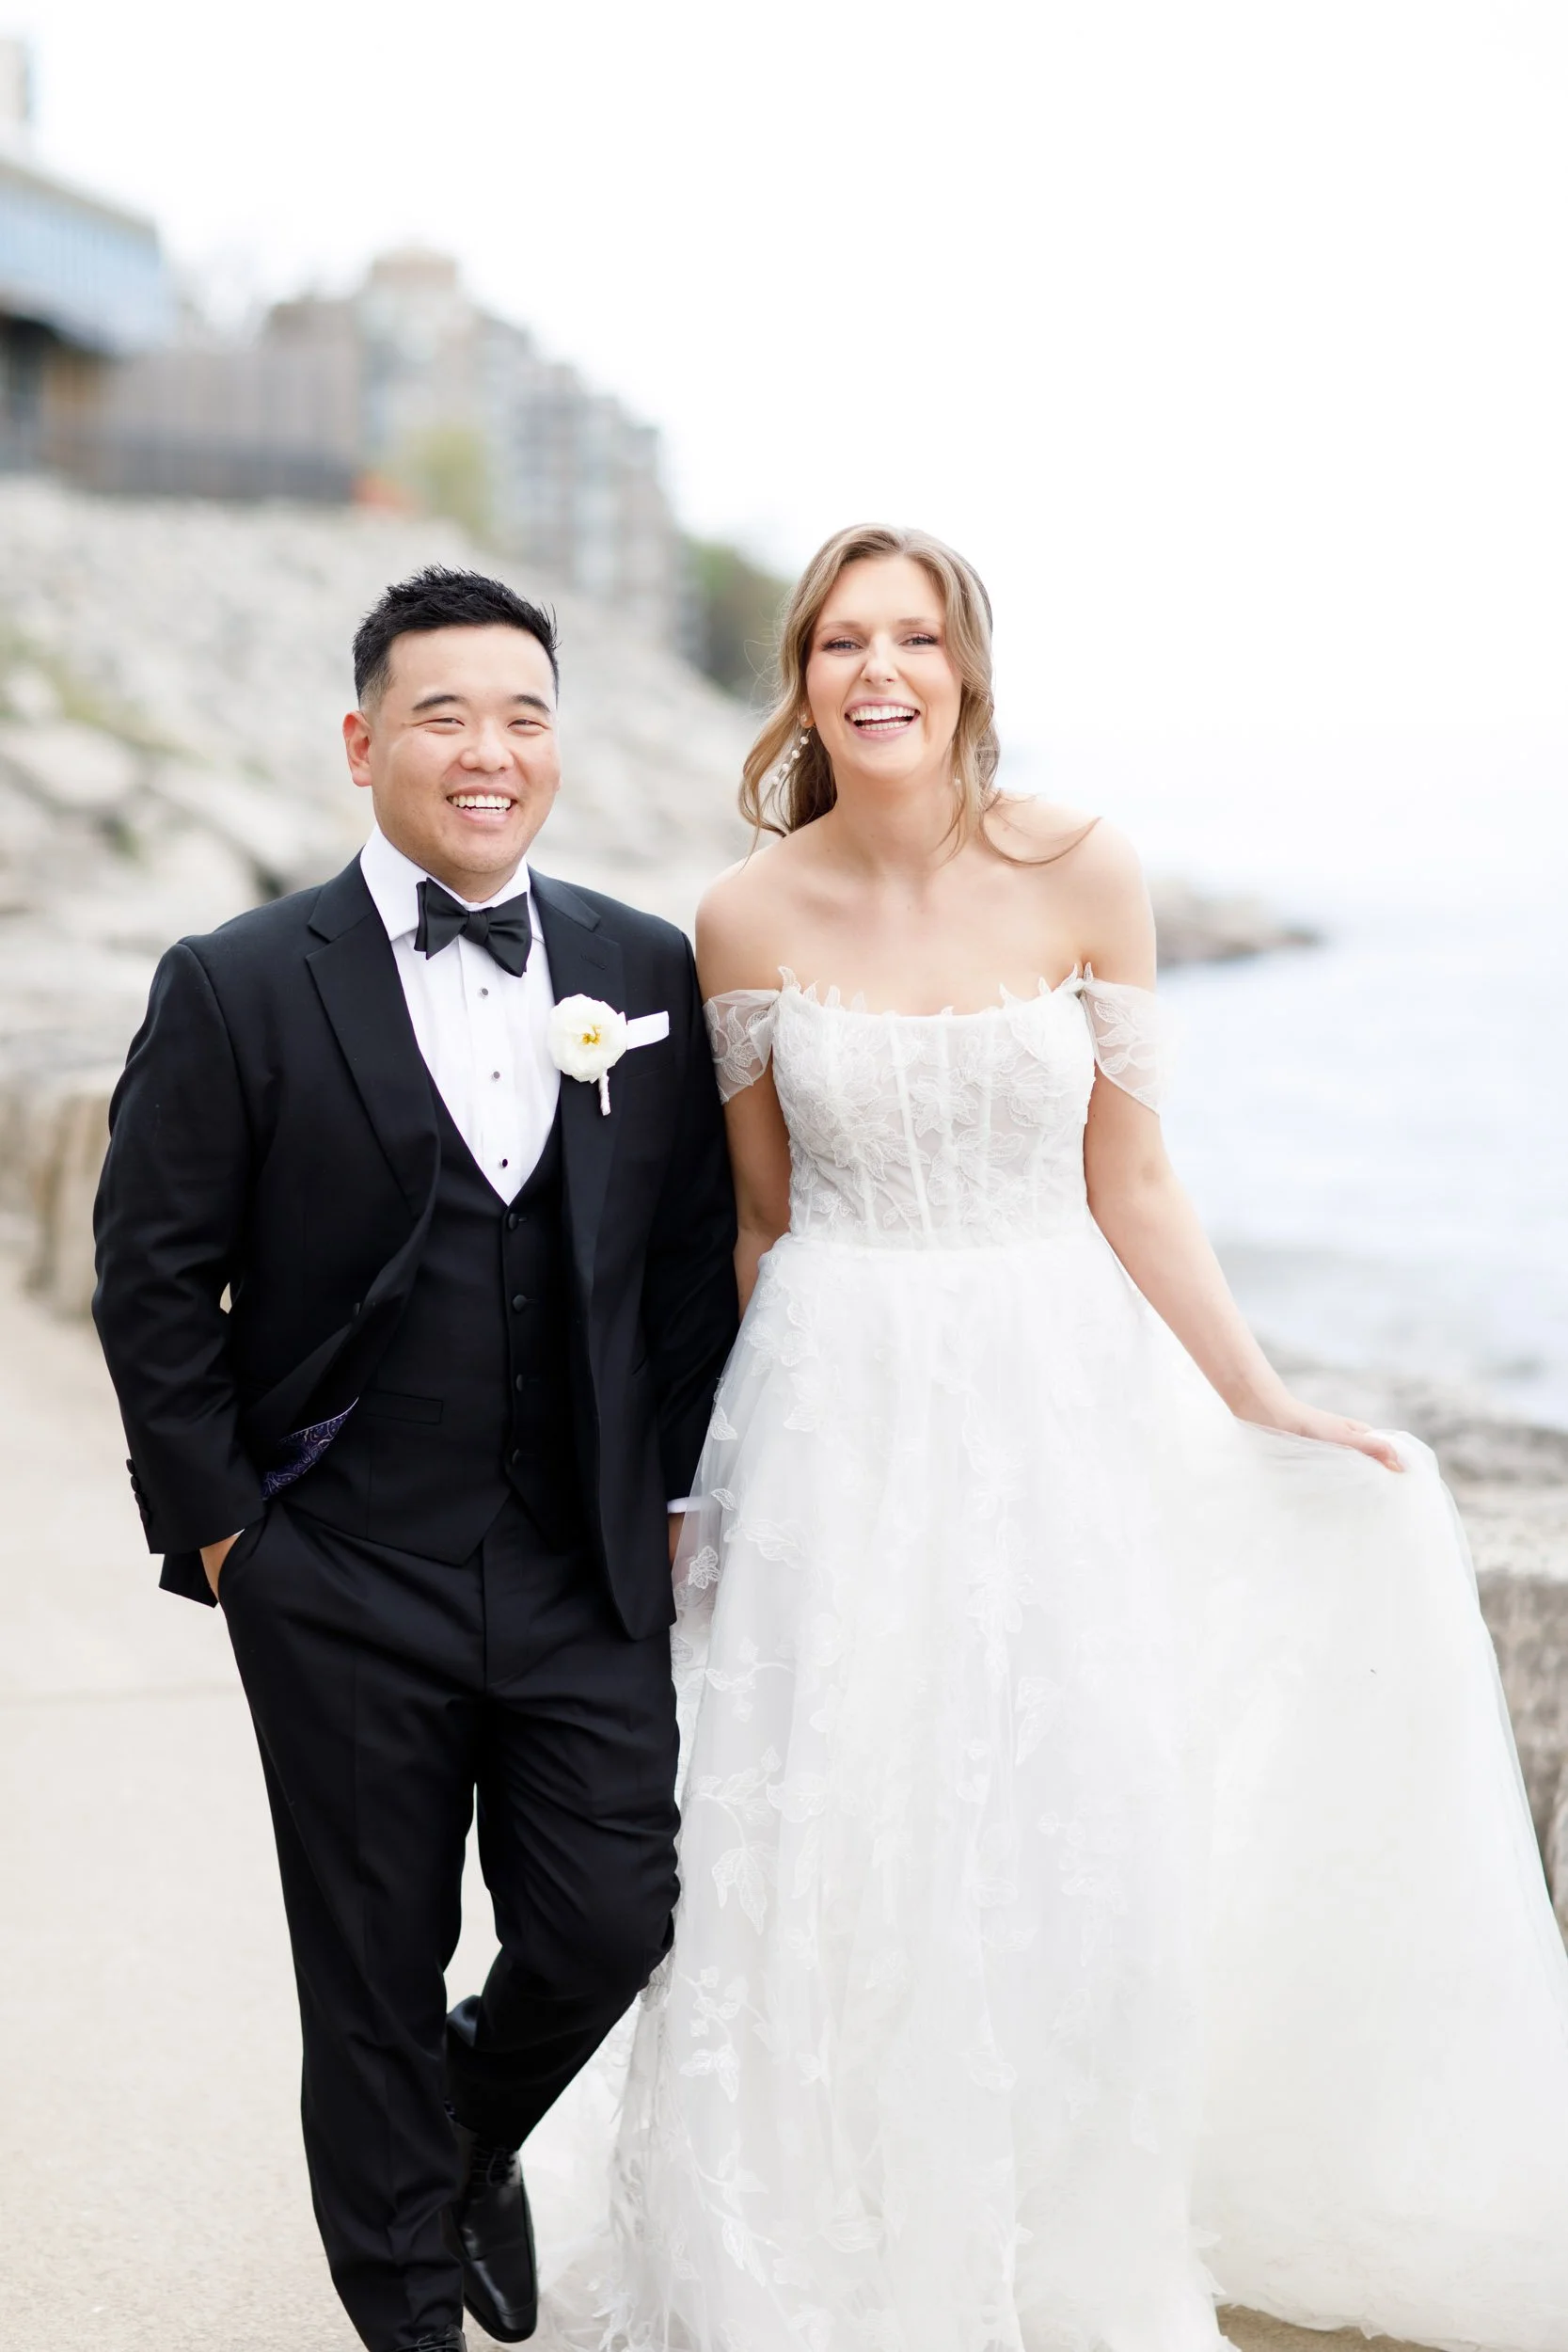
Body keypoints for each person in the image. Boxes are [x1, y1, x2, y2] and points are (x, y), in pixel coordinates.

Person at [539, 525, 1568, 2351]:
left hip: (1052, 1391)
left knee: (1057, 1822)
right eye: (839, 638)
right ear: (800, 679)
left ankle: (1048, 2248)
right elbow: (758, 1220)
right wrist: (708, 1464)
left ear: (965, 666)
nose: (876, 668)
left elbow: (1135, 1175)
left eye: (910, 635)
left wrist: (1262, 1397)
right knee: (826, 1832)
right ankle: (813, 2257)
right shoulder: (744, 914)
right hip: (833, 1398)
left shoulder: (1086, 866)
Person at [91, 567, 737, 2352]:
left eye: (523, 715)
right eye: (444, 715)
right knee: (366, 1978)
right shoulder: (233, 983)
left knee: (613, 1917)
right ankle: (406, 2319)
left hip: (581, 1565)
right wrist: (235, 1546)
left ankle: (464, 2128)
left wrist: (672, 1494)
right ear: (363, 741)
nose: (488, 752)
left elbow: (685, 1263)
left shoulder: (637, 966)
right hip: (334, 1570)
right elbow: (150, 1284)